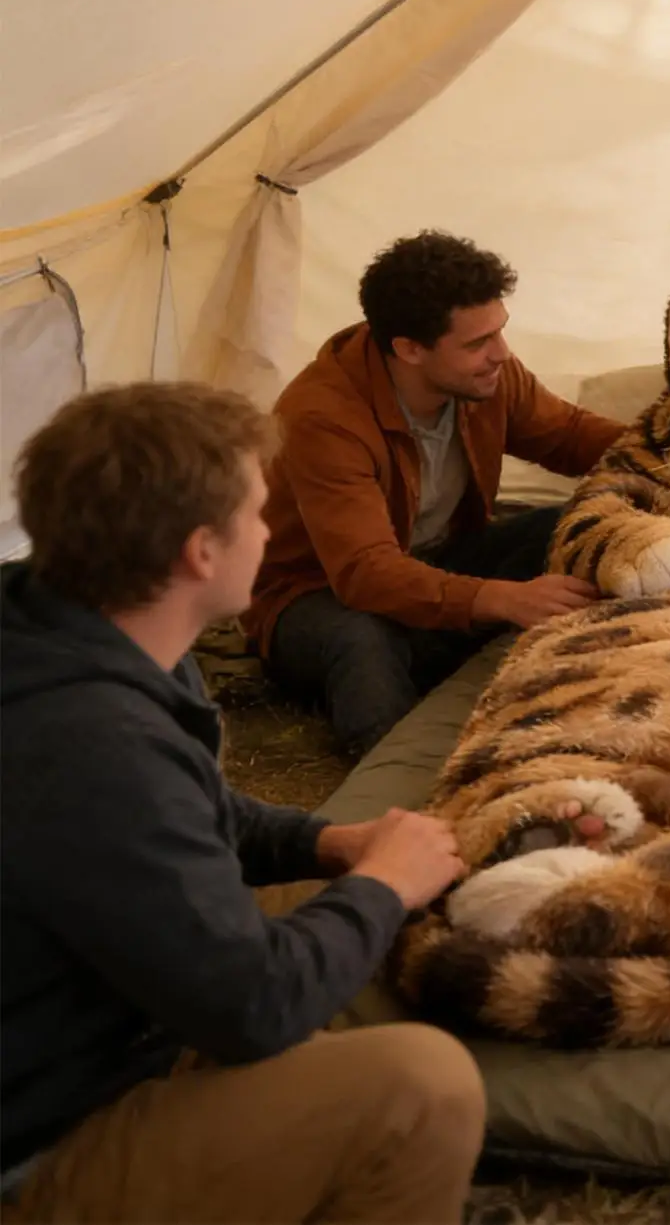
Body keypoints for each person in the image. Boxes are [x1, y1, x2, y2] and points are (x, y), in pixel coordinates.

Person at [1, 383, 488, 1223]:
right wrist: (383, 883)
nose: (268, 533)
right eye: (258, 514)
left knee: (319, 900)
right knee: (424, 1084)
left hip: (72, 1027)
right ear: (201, 551)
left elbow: (186, 810)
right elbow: (253, 1008)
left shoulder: (75, 625)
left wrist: (330, 844)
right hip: (38, 1137)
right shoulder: (90, 741)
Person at [248, 231, 626, 755]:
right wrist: (500, 598)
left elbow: (568, 436)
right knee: (362, 642)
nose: (501, 353)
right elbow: (365, 573)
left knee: (573, 524)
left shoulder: (486, 376)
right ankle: (405, 777)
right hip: (318, 595)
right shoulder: (323, 416)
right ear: (409, 349)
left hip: (440, 563)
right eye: (477, 343)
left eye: (500, 331)